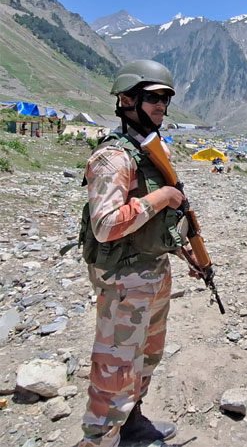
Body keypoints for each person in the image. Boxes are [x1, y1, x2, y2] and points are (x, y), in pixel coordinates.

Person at [77, 60, 195, 447]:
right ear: (126, 100)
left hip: (152, 272)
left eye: (166, 99)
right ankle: (100, 438)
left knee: (146, 356)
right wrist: (161, 197)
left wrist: (185, 253)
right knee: (115, 367)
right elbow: (105, 225)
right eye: (153, 98)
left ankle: (131, 425)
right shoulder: (114, 158)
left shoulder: (148, 152)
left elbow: (157, 225)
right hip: (124, 279)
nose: (161, 106)